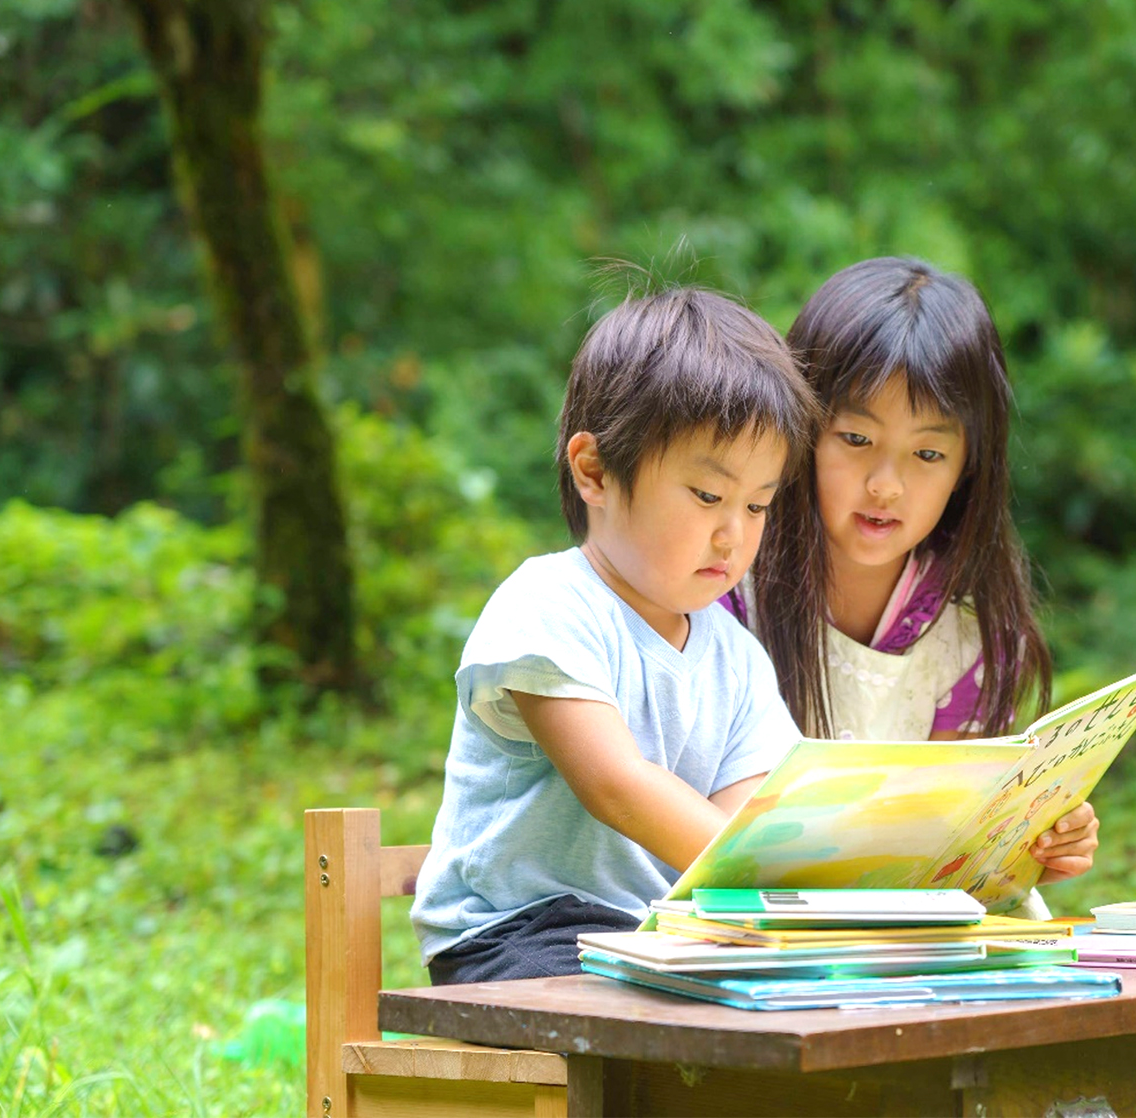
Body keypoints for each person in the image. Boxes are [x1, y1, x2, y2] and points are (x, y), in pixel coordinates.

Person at [411, 287, 821, 983]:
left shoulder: (737, 655)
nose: (735, 534)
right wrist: (783, 879)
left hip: (654, 931)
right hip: (519, 933)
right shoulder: (548, 605)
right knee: (671, 1005)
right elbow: (616, 786)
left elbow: (739, 832)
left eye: (758, 505)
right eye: (707, 496)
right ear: (595, 471)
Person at [726, 257, 1099, 916]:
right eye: (856, 438)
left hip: (895, 934)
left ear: (967, 467)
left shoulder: (963, 637)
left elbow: (945, 850)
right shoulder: (726, 589)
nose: (886, 485)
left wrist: (1032, 839)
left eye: (928, 454)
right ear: (800, 427)